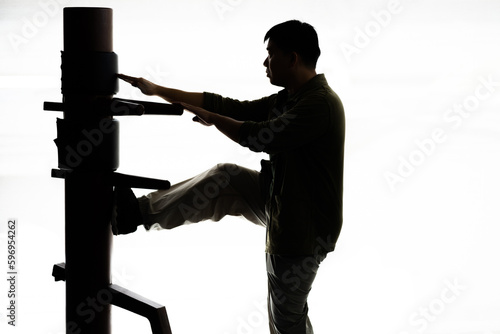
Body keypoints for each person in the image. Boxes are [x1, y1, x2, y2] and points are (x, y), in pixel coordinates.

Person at [114, 20, 345, 334]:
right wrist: (157, 90)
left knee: (286, 322)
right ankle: (134, 214)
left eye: (271, 54)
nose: (265, 62)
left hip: (301, 231)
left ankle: (133, 215)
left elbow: (260, 136)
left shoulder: (318, 104)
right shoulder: (288, 98)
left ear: (292, 58)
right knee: (225, 177)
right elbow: (230, 107)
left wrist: (214, 119)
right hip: (280, 201)